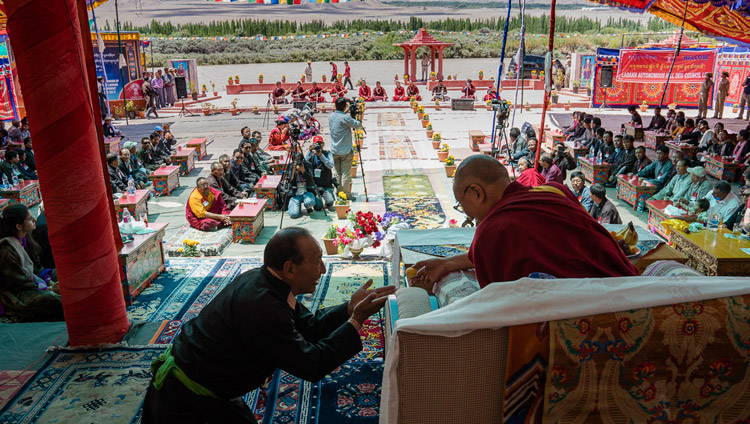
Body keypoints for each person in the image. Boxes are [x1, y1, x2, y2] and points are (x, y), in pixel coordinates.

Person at [141, 227, 395, 423]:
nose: (323, 269)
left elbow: (310, 326)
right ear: (289, 268)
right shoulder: (262, 307)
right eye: (317, 260)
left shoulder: (269, 283)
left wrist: (348, 309)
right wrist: (356, 321)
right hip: (187, 400)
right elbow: (312, 364)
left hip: (207, 385)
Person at [410, 155, 638, 290]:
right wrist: (446, 264)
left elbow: (498, 304)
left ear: (476, 193)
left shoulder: (491, 231)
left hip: (586, 313)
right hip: (627, 287)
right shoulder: (556, 190)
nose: (466, 213)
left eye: (461, 203)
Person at [0, 204, 63, 322]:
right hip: (18, 293)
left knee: (66, 274)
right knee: (52, 300)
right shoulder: (7, 250)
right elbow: (20, 283)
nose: (34, 219)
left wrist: (49, 280)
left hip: (35, 282)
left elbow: (37, 267)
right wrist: (49, 289)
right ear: (19, 226)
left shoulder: (26, 238)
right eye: (29, 219)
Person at [328, 97, 360, 198]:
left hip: (335, 150)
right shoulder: (345, 118)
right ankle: (346, 194)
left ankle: (339, 193)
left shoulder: (331, 117)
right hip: (345, 150)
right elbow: (358, 125)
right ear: (345, 107)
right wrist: (354, 114)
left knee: (338, 173)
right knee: (346, 174)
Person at [305, 135, 336, 211]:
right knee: (318, 207)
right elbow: (304, 163)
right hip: (316, 186)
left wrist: (321, 156)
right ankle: (317, 200)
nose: (319, 146)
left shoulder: (327, 154)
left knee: (330, 201)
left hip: (326, 184)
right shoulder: (311, 155)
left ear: (323, 144)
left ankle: (327, 198)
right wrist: (309, 151)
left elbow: (330, 166)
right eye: (317, 144)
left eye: (320, 143)